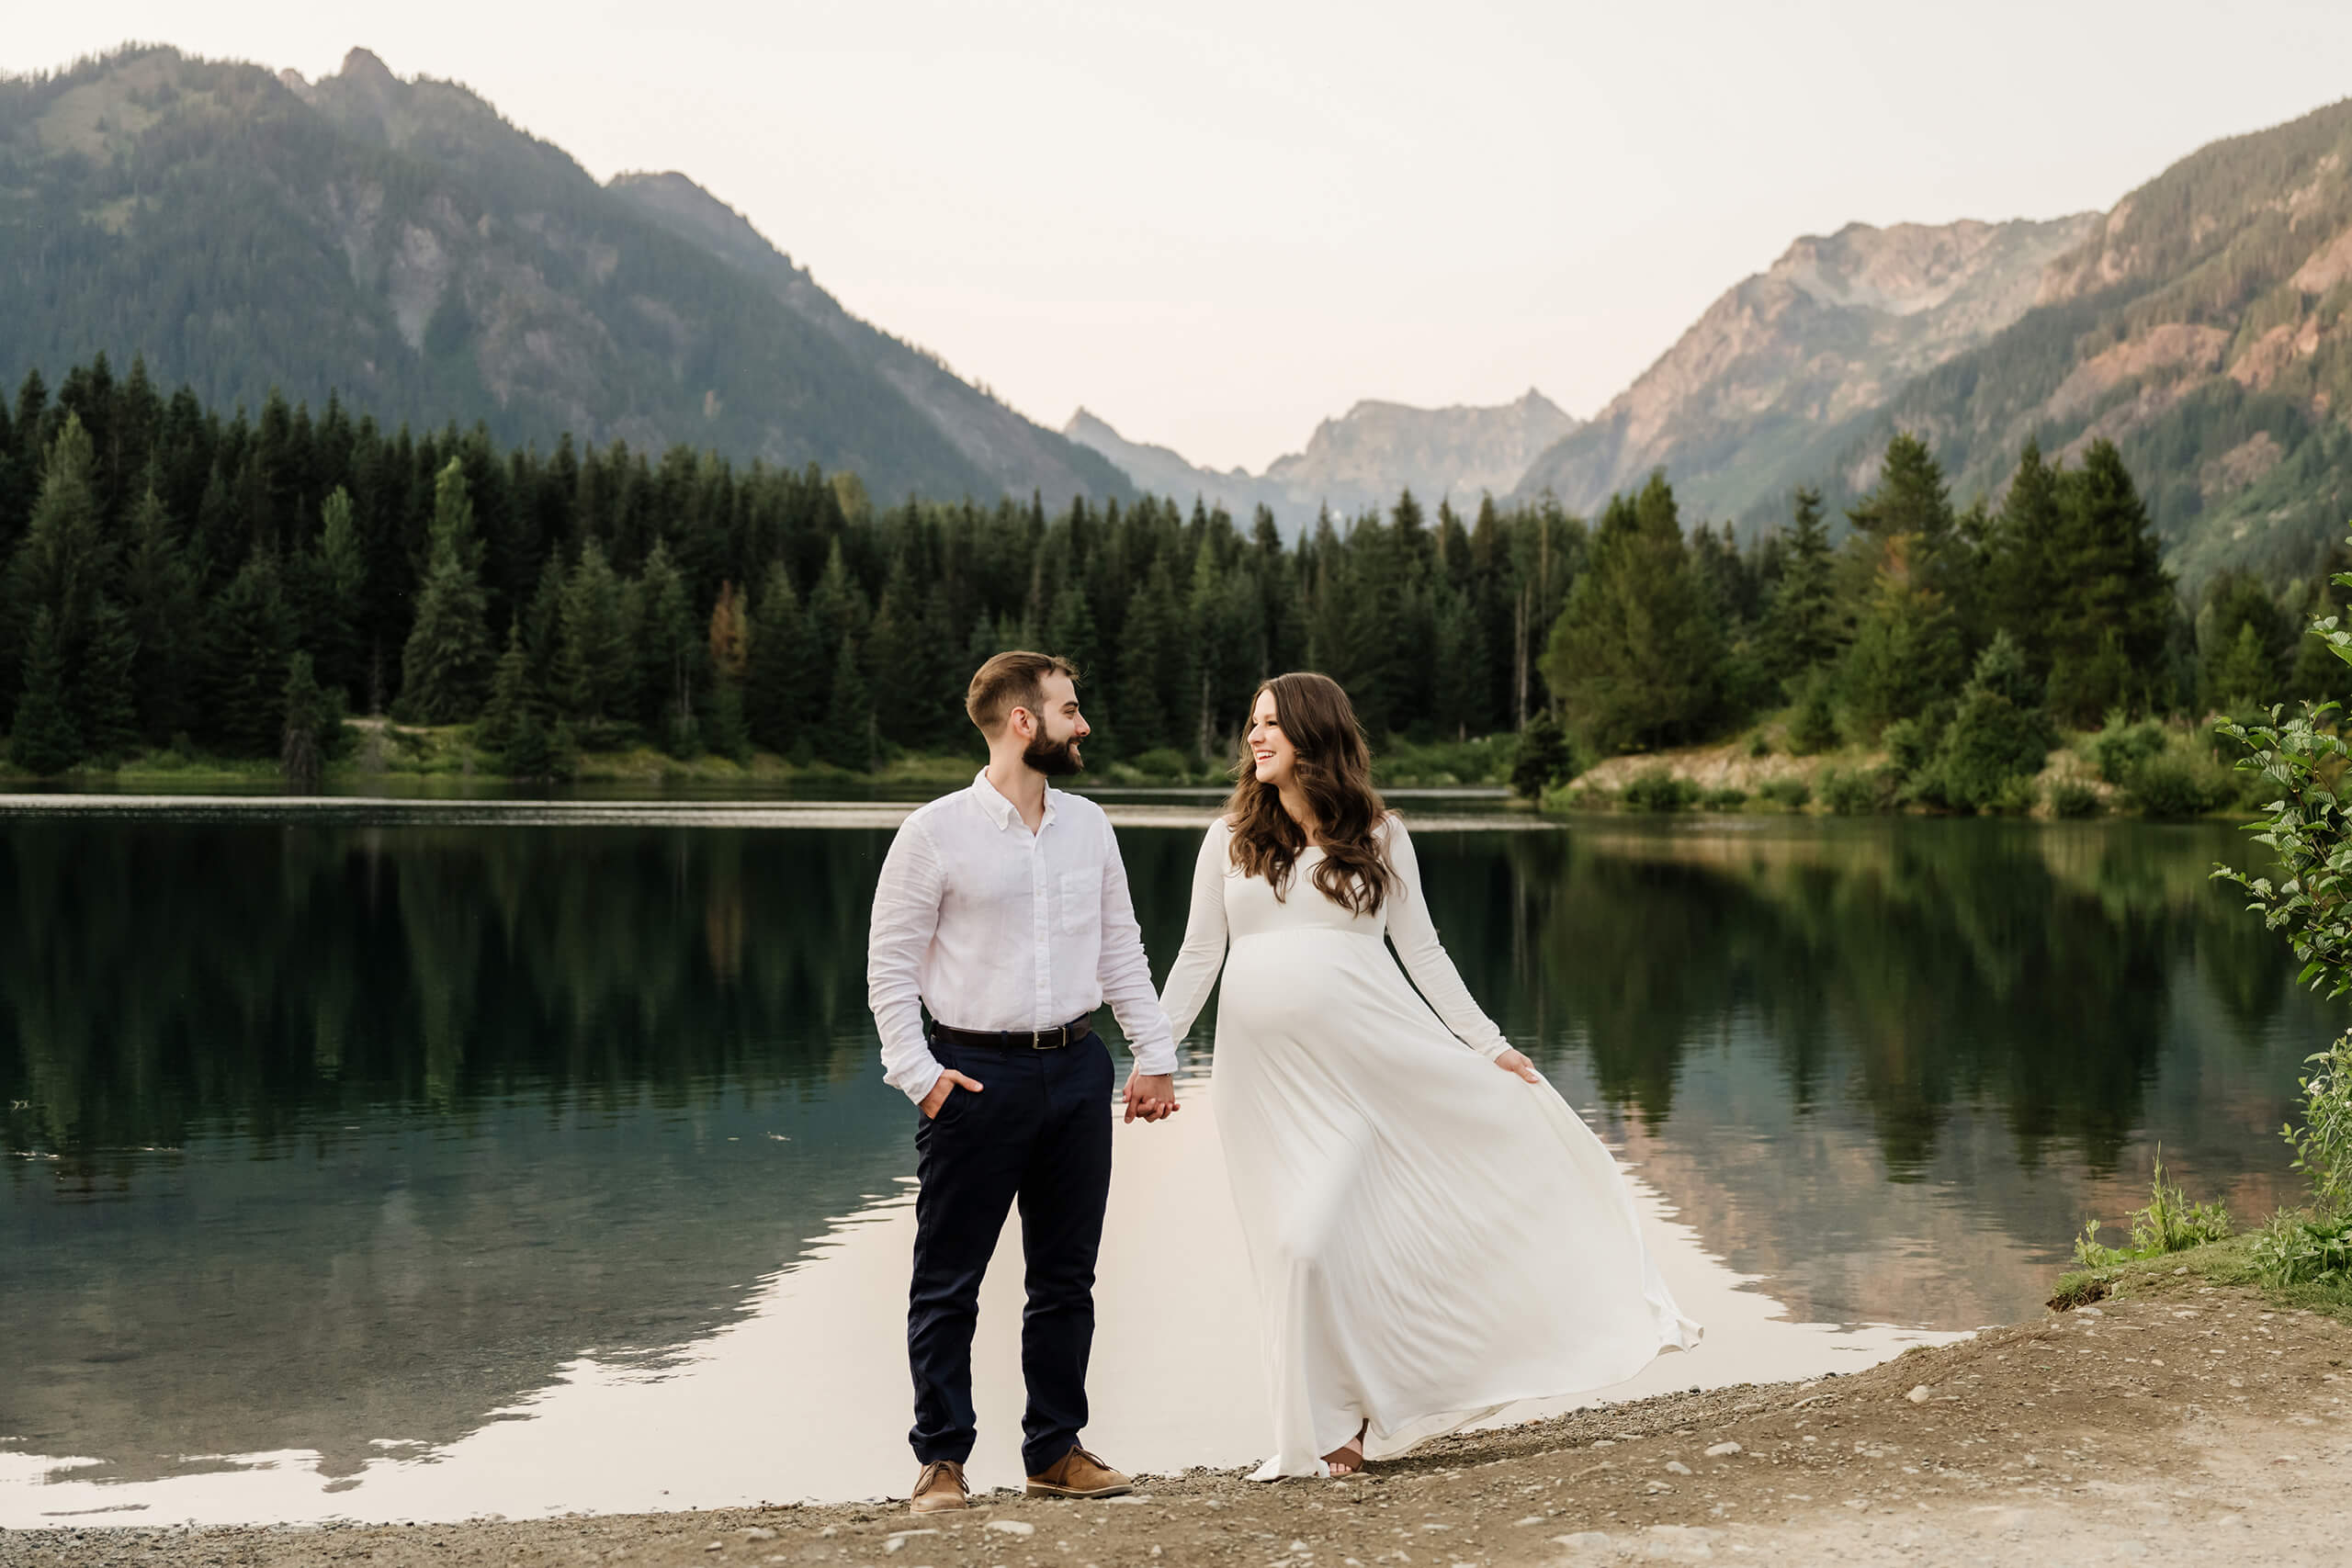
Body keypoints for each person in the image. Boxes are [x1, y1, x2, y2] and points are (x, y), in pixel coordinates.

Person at [1157, 671, 1700, 1479]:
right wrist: (1155, 1054)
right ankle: (1328, 1436)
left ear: (1316, 733)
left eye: (1271, 722)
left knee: (1316, 1244)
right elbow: (1199, 955)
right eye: (1251, 723)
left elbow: (1426, 955)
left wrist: (1489, 1047)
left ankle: (1355, 1418)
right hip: (1258, 1086)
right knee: (1289, 1254)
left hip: (1365, 1076)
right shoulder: (1228, 836)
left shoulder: (1379, 837)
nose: (1255, 737)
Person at [867, 650, 1182, 1515]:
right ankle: (941, 1460)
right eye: (1070, 710)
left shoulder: (1090, 826)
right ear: (1022, 722)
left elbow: (1123, 948)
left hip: (1078, 1071)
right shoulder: (933, 833)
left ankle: (1054, 1449)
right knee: (948, 1279)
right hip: (974, 1075)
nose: (1083, 725)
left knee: (1066, 1277)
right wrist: (922, 1078)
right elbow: (889, 970)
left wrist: (1153, 1054)